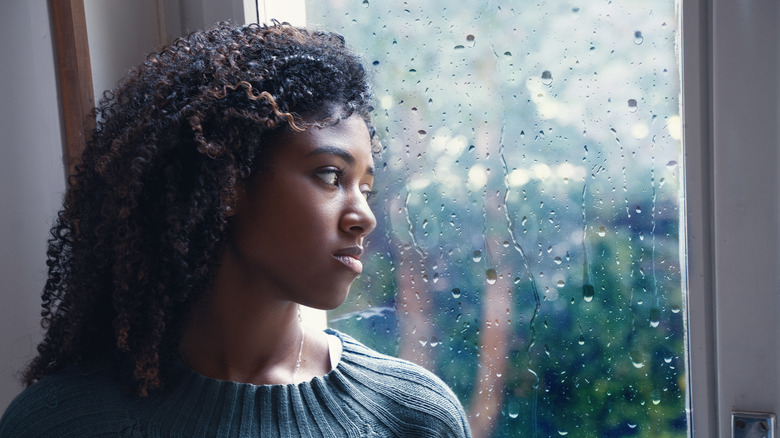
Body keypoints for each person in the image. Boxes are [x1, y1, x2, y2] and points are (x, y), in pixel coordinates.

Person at [0, 22, 471, 437]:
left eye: (365, 188)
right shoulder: (63, 423)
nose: (363, 217)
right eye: (331, 176)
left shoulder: (414, 418)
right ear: (227, 183)